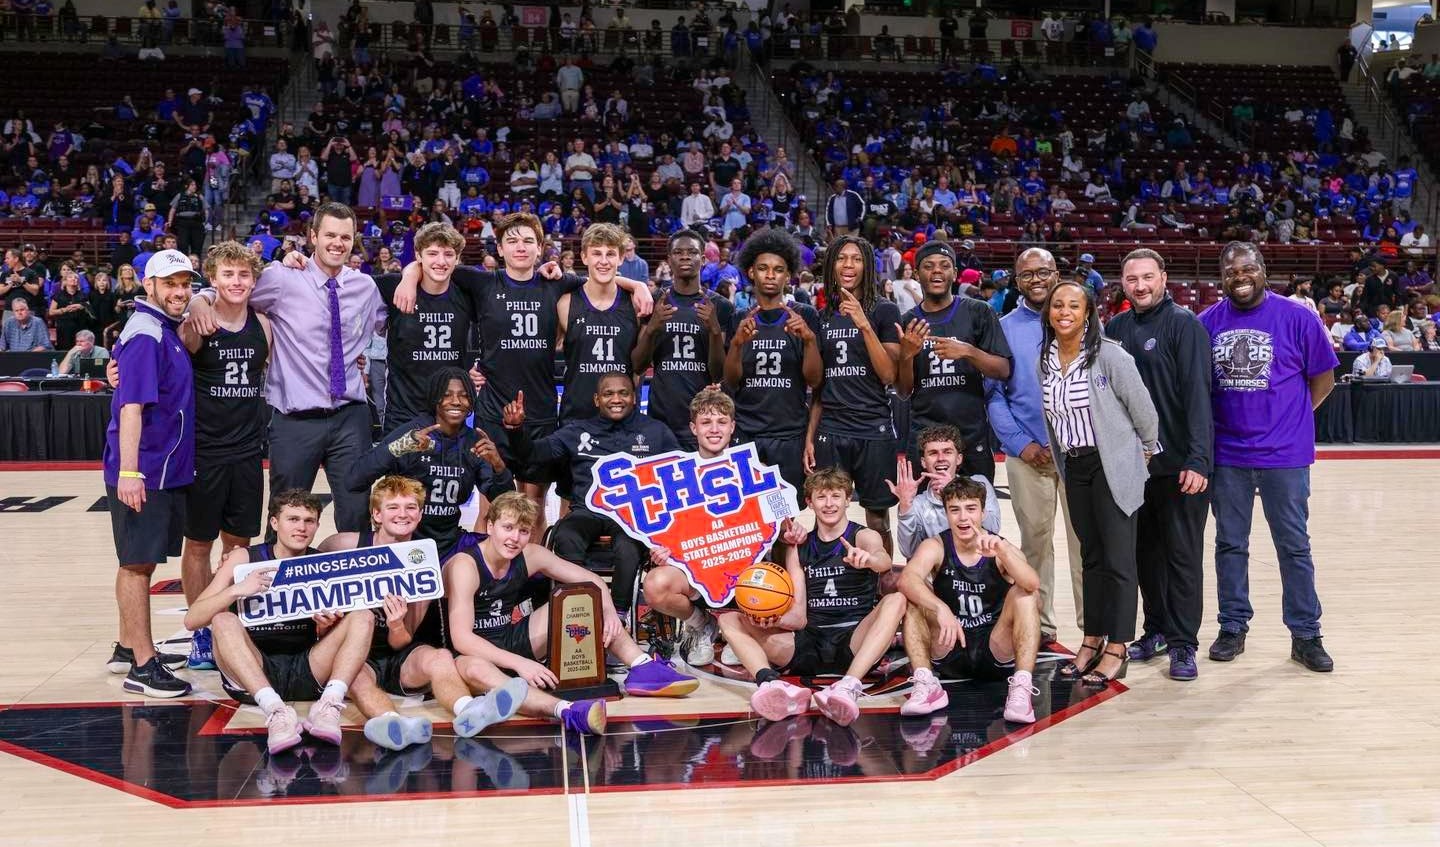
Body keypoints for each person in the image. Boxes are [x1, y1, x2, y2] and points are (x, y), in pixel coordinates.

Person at [186, 202, 387, 533]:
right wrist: (199, 300)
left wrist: (411, 274)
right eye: (330, 235)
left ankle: (353, 582)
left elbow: (391, 321)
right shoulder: (283, 278)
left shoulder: (365, 287)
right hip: (295, 420)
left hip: (350, 414)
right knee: (285, 514)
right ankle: (276, 584)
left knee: (355, 511)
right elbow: (233, 289)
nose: (338, 243)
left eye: (346, 237)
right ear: (312, 237)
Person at [1199, 242, 1337, 673]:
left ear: (1263, 270)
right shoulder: (1205, 324)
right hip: (1228, 455)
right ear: (1221, 277)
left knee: (1294, 546)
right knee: (1229, 545)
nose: (1240, 276)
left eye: (1247, 268)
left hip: (1285, 455)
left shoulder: (1298, 317)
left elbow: (1324, 379)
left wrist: (1293, 419)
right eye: (1230, 271)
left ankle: (1305, 634)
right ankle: (1233, 625)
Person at [317, 476, 528, 750]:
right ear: (376, 514)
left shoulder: (425, 561)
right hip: (356, 654)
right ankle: (392, 723)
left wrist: (395, 626)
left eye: (411, 507)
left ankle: (469, 711)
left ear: (420, 514)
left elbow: (403, 641)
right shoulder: (342, 545)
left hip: (399, 652)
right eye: (393, 507)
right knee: (354, 675)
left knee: (440, 657)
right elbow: (306, 575)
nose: (403, 514)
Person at [444, 492, 697, 705]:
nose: (514, 539)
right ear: (489, 527)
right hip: (475, 653)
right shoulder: (465, 565)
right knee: (473, 665)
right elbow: (462, 639)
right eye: (507, 528)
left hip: (511, 638)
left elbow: (592, 580)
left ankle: (642, 668)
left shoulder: (530, 554)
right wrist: (521, 663)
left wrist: (609, 613)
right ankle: (523, 695)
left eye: (523, 531)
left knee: (585, 599)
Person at [182, 491, 374, 753]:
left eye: (309, 520)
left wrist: (326, 626)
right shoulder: (245, 559)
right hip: (254, 670)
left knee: (363, 616)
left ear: (318, 525)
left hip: (307, 667)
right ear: (274, 523)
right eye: (293, 519)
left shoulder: (322, 562)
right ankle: (275, 711)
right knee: (224, 620)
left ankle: (329, 705)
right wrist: (236, 590)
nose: (301, 527)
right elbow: (192, 619)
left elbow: (335, 631)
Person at [717, 470, 907, 726]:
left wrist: (869, 560)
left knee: (896, 601)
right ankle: (771, 685)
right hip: (809, 642)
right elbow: (797, 619)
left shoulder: (862, 536)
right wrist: (771, 619)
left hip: (854, 640)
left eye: (836, 496)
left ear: (848, 499)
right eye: (821, 497)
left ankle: (848, 686)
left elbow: (883, 560)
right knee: (730, 619)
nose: (829, 504)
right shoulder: (800, 547)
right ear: (809, 502)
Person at [1041, 279, 1160, 688]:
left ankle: (1118, 646)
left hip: (1110, 465)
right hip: (1075, 467)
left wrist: (1144, 450)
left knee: (1118, 560)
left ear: (1088, 313)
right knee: (1090, 558)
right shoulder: (1047, 357)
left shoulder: (1109, 355)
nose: (1064, 312)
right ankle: (1092, 639)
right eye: (1058, 305)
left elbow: (1144, 410)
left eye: (1074, 305)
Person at [1105, 249, 1214, 681]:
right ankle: (1157, 630)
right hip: (1134, 468)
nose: (1141, 286)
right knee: (1145, 555)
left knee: (1182, 557)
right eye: (1132, 279)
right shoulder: (1115, 328)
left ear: (1164, 278)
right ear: (1123, 283)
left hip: (1180, 466)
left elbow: (1199, 397)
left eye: (1148, 277)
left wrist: (1199, 459)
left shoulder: (1184, 325)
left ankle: (1184, 643)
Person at [103, 249, 198, 698]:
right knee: (137, 565)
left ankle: (127, 646)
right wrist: (129, 471)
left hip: (159, 467)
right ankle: (142, 666)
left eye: (185, 284)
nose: (180, 292)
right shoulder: (146, 333)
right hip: (145, 469)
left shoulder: (160, 327)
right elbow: (131, 407)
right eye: (171, 284)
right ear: (149, 286)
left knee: (137, 560)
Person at [509, 371, 678, 619]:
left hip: (630, 517)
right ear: (597, 400)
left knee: (628, 548)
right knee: (566, 536)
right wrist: (516, 430)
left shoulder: (656, 432)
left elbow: (680, 472)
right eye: (608, 394)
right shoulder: (578, 431)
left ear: (634, 398)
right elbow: (535, 453)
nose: (616, 399)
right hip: (587, 512)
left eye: (623, 393)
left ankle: (618, 614)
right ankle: (579, 609)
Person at [177, 242, 271, 671]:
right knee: (198, 544)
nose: (236, 283)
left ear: (253, 281)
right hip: (204, 451)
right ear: (212, 279)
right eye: (228, 275)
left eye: (244, 276)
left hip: (249, 451)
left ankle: (228, 620)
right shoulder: (196, 324)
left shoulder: (263, 326)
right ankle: (200, 630)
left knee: (239, 545)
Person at [986, 248, 1083, 645]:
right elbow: (993, 395)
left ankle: (1095, 627)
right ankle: (1042, 628)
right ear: (1016, 279)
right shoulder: (1003, 327)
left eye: (1043, 272)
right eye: (1027, 275)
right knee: (1036, 546)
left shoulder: (1080, 319)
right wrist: (1021, 444)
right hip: (1028, 456)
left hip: (1079, 453)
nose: (1037, 280)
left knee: (1086, 544)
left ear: (1056, 272)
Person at [898, 478, 1043, 725]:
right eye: (955, 510)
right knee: (912, 595)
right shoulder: (936, 545)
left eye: (970, 508)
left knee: (1026, 596)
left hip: (995, 647)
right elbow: (906, 579)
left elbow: (1032, 584)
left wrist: (1004, 553)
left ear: (983, 512)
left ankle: (1021, 689)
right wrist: (940, 607)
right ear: (946, 514)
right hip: (949, 644)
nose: (963, 518)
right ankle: (926, 682)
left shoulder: (999, 546)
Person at [347, 367, 516, 556]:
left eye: (463, 396)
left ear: (471, 402)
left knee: (512, 550)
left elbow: (508, 505)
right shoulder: (412, 433)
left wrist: (499, 467)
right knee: (336, 544)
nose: (456, 401)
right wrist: (400, 447)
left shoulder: (473, 442)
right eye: (447, 395)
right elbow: (354, 480)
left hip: (450, 542)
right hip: (402, 539)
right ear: (435, 399)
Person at [805, 236, 902, 553]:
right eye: (842, 258)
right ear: (831, 265)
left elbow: (889, 374)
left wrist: (863, 323)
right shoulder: (823, 316)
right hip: (832, 427)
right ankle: (834, 580)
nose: (849, 265)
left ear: (868, 266)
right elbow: (818, 388)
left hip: (873, 427)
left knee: (876, 518)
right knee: (829, 516)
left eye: (856, 259)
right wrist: (809, 436)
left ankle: (882, 585)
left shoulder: (884, 311)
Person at [895, 239, 1012, 480]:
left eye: (944, 265)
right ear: (917, 274)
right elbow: (904, 390)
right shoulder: (907, 320)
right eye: (928, 266)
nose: (937, 271)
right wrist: (906, 355)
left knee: (974, 514)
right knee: (923, 514)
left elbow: (1003, 369)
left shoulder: (979, 311)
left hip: (971, 434)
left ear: (955, 273)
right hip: (924, 436)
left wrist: (969, 351)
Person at [725, 228, 819, 494]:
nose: (770, 275)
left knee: (786, 520)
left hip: (789, 433)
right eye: (763, 268)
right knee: (749, 515)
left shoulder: (805, 315)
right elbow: (731, 380)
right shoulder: (739, 317)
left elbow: (815, 380)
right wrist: (735, 345)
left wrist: (810, 341)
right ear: (751, 272)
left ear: (788, 276)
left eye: (778, 269)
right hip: (746, 432)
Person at [633, 229, 733, 449]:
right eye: (678, 252)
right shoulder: (655, 301)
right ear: (669, 259)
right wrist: (652, 328)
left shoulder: (721, 306)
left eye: (692, 252)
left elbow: (719, 374)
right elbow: (638, 365)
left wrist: (715, 332)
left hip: (704, 420)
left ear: (703, 259)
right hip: (660, 418)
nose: (685, 256)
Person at [557, 224, 640, 426]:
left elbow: (642, 366)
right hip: (576, 419)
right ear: (584, 257)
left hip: (623, 419)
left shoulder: (636, 303)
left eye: (610, 254)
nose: (603, 261)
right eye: (596, 253)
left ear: (621, 258)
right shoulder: (565, 303)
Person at [892, 424, 1000, 559]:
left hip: (978, 567)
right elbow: (909, 552)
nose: (941, 458)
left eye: (947, 452)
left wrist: (955, 491)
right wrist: (905, 506)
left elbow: (993, 529)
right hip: (939, 572)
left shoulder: (980, 484)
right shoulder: (918, 503)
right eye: (933, 453)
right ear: (924, 462)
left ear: (959, 458)